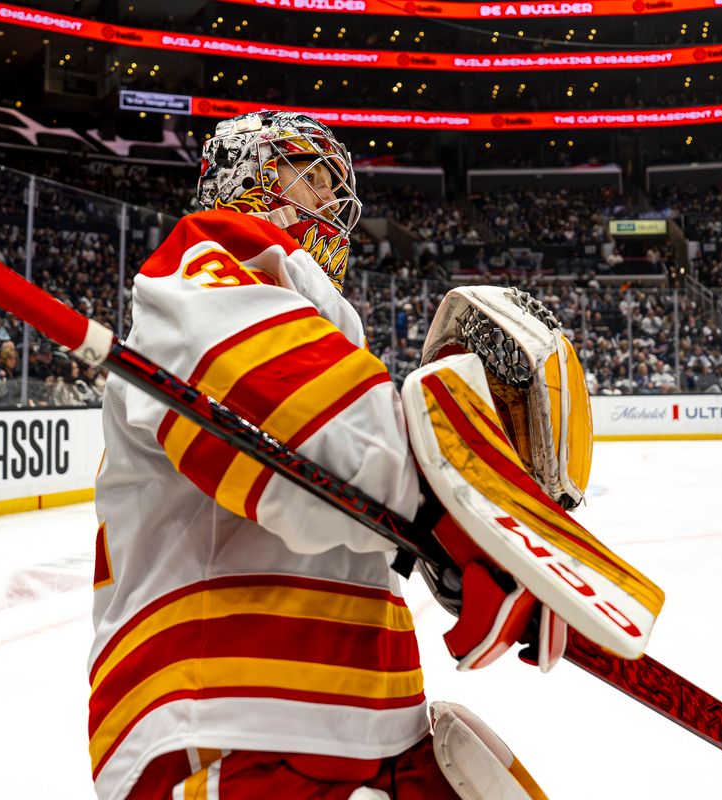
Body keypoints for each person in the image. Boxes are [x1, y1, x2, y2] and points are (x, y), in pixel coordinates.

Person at [92, 112, 546, 800]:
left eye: (339, 184)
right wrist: (470, 519)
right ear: (249, 177)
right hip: (227, 722)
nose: (334, 201)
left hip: (349, 725)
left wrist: (449, 551)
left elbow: (349, 500)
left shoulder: (314, 323)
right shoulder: (208, 265)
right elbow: (319, 439)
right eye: (313, 178)